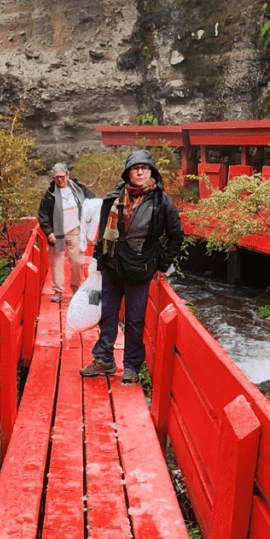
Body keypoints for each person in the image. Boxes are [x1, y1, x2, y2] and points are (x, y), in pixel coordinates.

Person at [80, 150, 184, 384]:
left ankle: (131, 366)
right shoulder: (115, 196)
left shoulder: (161, 201)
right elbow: (101, 234)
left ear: (151, 171)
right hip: (112, 264)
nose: (139, 171)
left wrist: (163, 265)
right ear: (127, 172)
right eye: (135, 168)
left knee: (135, 320)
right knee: (107, 315)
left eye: (144, 168)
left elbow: (176, 235)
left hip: (140, 268)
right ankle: (104, 359)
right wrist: (97, 259)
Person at [37, 162, 96, 303]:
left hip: (75, 230)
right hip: (57, 232)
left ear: (67, 175)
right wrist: (48, 232)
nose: (59, 180)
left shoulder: (79, 189)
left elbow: (93, 201)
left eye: (62, 176)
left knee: (78, 261)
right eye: (56, 177)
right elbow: (42, 215)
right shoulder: (49, 194)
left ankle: (76, 287)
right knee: (56, 263)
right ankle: (58, 291)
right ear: (53, 178)